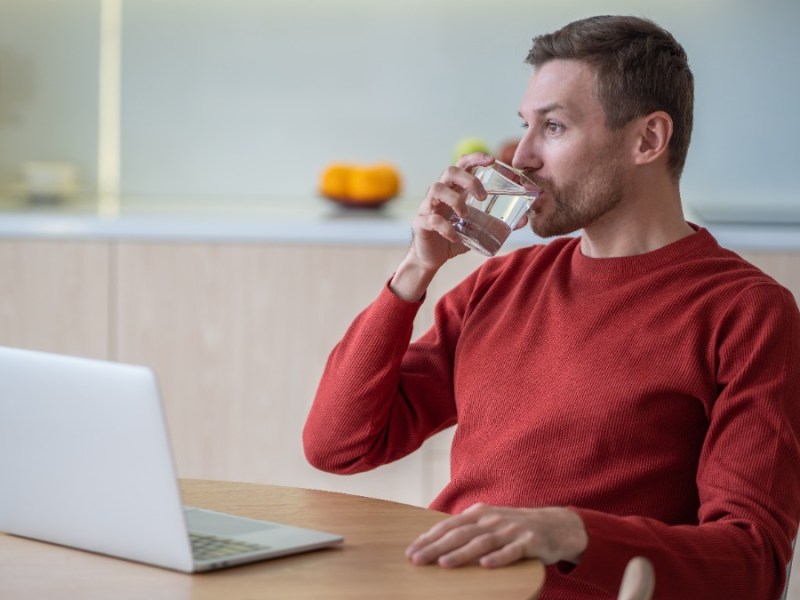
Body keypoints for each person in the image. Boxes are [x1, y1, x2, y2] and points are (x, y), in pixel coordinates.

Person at [303, 15, 800, 599]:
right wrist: (416, 270)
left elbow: (751, 566)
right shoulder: (503, 283)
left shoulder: (748, 314)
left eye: (555, 127)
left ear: (648, 140)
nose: (522, 155)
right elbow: (338, 445)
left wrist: (570, 532)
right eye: (524, 126)